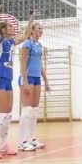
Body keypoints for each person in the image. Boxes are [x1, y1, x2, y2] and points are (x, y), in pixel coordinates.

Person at [0, 1, 34, 159]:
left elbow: (25, 35)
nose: (14, 28)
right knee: (0, 115)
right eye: (11, 27)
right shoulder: (0, 42)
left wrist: (31, 20)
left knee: (7, 115)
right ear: (4, 30)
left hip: (8, 81)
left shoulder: (12, 43)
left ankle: (4, 145)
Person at [18, 22, 50, 151]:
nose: (41, 31)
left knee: (34, 110)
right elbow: (23, 63)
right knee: (27, 110)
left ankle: (32, 139)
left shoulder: (39, 45)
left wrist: (46, 80)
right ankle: (22, 141)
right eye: (38, 29)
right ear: (31, 31)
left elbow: (40, 64)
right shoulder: (27, 44)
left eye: (42, 29)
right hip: (28, 78)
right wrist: (25, 82)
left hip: (36, 78)